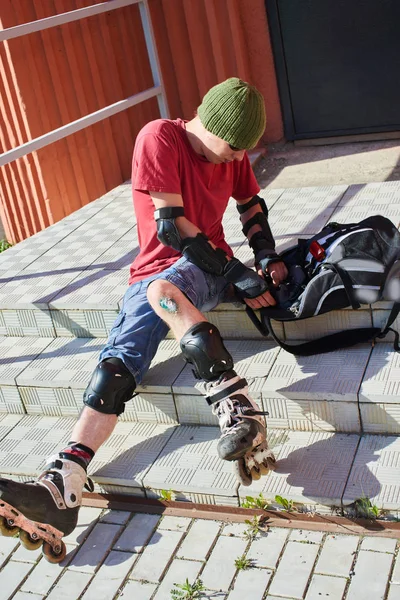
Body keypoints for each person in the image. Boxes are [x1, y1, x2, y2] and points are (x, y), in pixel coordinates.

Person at [0, 78, 287, 542]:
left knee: (164, 294)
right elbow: (172, 230)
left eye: (244, 150)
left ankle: (239, 408)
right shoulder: (159, 138)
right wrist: (238, 274)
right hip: (162, 270)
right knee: (114, 369)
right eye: (233, 147)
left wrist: (267, 256)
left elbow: (251, 206)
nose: (238, 158)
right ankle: (64, 482)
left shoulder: (231, 155)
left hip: (201, 272)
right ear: (208, 122)